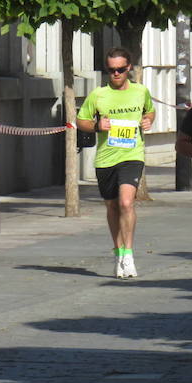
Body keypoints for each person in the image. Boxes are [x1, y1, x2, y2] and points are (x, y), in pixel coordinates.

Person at [76, 47, 155, 278]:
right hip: (106, 158)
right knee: (111, 207)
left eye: (120, 69)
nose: (116, 74)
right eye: (111, 70)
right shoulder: (98, 95)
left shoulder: (141, 92)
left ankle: (128, 254)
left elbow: (149, 112)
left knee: (126, 202)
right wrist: (97, 126)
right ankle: (118, 251)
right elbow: (81, 120)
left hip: (132, 155)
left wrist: (148, 121)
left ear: (129, 67)